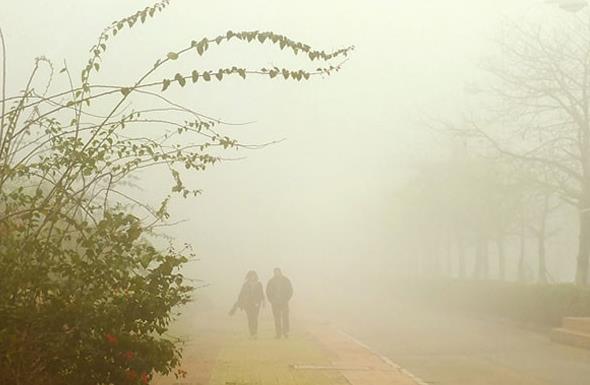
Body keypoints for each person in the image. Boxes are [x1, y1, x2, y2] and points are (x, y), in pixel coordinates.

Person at [229, 270, 264, 338]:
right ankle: (252, 333)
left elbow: (261, 294)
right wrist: (238, 303)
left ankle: (255, 333)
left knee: (255, 318)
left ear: (255, 276)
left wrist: (261, 301)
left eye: (253, 275)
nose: (252, 277)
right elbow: (241, 294)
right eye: (251, 275)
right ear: (248, 276)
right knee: (250, 319)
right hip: (247, 304)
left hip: (256, 304)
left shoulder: (259, 284)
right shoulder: (245, 284)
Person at [266, 268, 293, 339]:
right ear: (274, 273)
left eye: (278, 272)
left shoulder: (286, 280)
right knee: (277, 318)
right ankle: (278, 334)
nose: (277, 273)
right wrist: (271, 300)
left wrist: (287, 298)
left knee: (285, 318)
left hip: (284, 302)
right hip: (275, 303)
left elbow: (290, 290)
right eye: (275, 272)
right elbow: (268, 291)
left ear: (280, 272)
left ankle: (286, 332)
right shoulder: (271, 281)